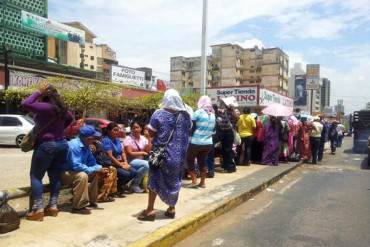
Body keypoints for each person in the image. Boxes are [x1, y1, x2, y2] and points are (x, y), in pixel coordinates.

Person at [21, 83, 72, 221]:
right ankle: (53, 206)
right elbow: (70, 118)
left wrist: (38, 91)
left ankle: (38, 209)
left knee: (35, 176)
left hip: (47, 145)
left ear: (45, 95)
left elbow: (26, 103)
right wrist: (59, 129)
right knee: (54, 175)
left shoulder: (46, 107)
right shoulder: (62, 108)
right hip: (62, 144)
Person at [138, 89, 191, 221]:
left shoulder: (159, 114)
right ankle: (171, 208)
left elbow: (151, 133)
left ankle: (150, 210)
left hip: (161, 155)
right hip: (178, 156)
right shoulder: (186, 116)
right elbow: (188, 130)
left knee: (154, 180)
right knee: (175, 181)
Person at [60, 126, 109, 215]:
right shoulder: (74, 145)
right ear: (86, 137)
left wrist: (100, 169)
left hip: (76, 171)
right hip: (65, 173)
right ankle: (78, 206)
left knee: (95, 172)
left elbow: (92, 162)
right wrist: (96, 169)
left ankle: (91, 200)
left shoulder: (86, 145)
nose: (95, 139)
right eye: (93, 137)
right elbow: (76, 166)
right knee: (82, 175)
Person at [186, 96, 216, 188]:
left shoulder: (198, 112)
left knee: (189, 159)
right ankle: (202, 183)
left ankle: (194, 181)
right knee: (202, 161)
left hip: (196, 141)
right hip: (208, 143)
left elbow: (191, 126)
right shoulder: (213, 114)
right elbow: (214, 129)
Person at [102, 122, 137, 195]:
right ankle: (116, 189)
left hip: (119, 162)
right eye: (114, 130)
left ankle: (120, 186)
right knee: (126, 174)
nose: (116, 132)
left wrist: (126, 162)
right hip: (111, 164)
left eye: (117, 130)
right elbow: (110, 156)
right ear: (108, 131)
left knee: (133, 172)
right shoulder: (106, 140)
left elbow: (122, 152)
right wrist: (121, 166)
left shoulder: (117, 139)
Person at [123, 121, 151, 193]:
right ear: (131, 129)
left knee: (148, 164)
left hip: (141, 161)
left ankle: (135, 183)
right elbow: (130, 153)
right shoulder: (128, 139)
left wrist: (148, 138)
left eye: (137, 127)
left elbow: (148, 150)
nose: (136, 129)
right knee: (147, 164)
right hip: (131, 161)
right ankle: (135, 184)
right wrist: (142, 152)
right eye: (134, 128)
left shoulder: (143, 138)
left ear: (141, 128)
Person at [89, 134, 117, 202]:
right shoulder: (91, 146)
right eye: (96, 137)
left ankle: (106, 194)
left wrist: (100, 168)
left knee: (111, 169)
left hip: (95, 166)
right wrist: (99, 169)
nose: (98, 138)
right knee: (109, 170)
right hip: (87, 170)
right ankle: (102, 196)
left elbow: (101, 160)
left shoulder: (98, 144)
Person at [217, 98, 238, 173]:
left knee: (227, 150)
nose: (222, 104)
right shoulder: (227, 112)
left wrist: (232, 110)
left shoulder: (229, 112)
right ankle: (227, 166)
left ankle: (231, 167)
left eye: (223, 103)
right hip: (226, 133)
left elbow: (236, 119)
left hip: (227, 132)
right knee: (225, 150)